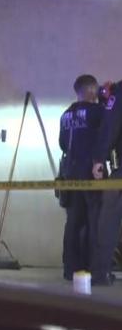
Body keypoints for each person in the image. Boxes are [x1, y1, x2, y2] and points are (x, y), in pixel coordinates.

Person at [58, 75, 103, 281]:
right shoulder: (96, 112)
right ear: (92, 90)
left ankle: (70, 268)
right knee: (95, 221)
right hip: (90, 171)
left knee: (73, 222)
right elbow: (107, 135)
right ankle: (93, 268)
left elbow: (62, 143)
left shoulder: (66, 114)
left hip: (69, 173)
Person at [92, 79, 122, 286]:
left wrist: (98, 160)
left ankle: (101, 272)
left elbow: (109, 128)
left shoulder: (118, 93)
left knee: (108, 221)